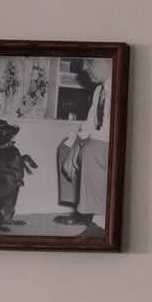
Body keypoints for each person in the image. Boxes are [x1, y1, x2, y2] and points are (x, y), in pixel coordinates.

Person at [56, 58, 111, 237]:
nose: (85, 68)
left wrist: (80, 148)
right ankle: (81, 210)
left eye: (89, 62)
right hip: (101, 140)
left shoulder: (121, 87)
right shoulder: (98, 91)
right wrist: (74, 147)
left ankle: (99, 222)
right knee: (65, 148)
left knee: (90, 150)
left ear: (110, 61)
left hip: (115, 145)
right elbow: (89, 124)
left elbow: (109, 130)